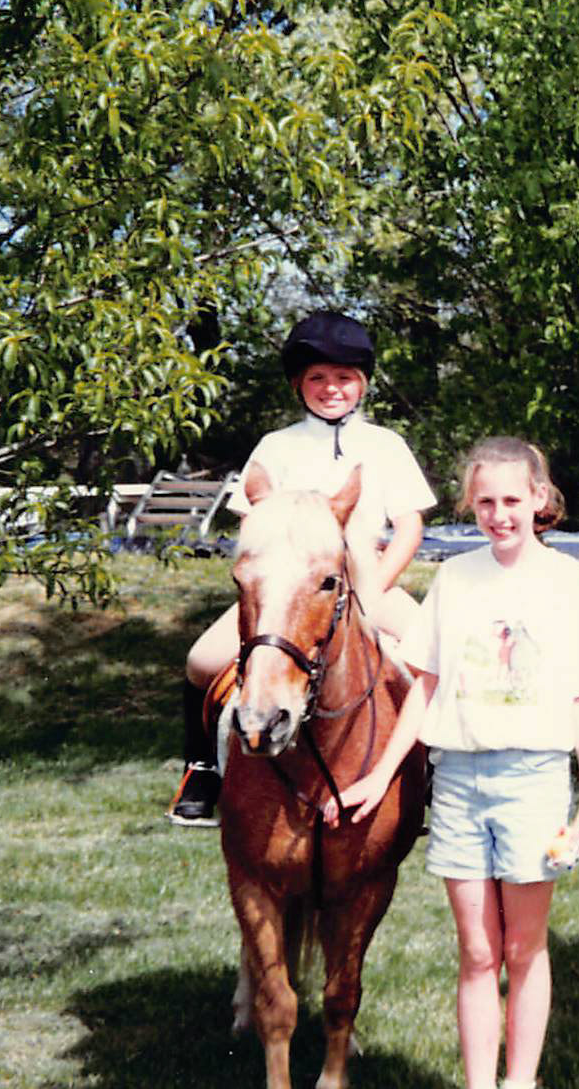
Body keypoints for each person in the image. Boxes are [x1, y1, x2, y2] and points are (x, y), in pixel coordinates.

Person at [326, 435, 579, 1089]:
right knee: (478, 950)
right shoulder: (455, 578)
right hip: (458, 781)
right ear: (470, 504)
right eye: (485, 502)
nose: (499, 514)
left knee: (523, 945)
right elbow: (424, 688)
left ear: (539, 498)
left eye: (512, 500)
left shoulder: (569, 582)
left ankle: (521, 1080)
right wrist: (380, 775)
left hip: (534, 781)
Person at [166, 312, 438, 826]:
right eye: (318, 377)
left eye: (344, 377)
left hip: (369, 581)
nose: (331, 388)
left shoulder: (386, 445)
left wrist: (374, 591)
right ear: (298, 383)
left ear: (362, 383)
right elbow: (252, 526)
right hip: (287, 593)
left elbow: (409, 529)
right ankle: (202, 769)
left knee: (437, 660)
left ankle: (436, 772)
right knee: (202, 661)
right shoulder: (276, 446)